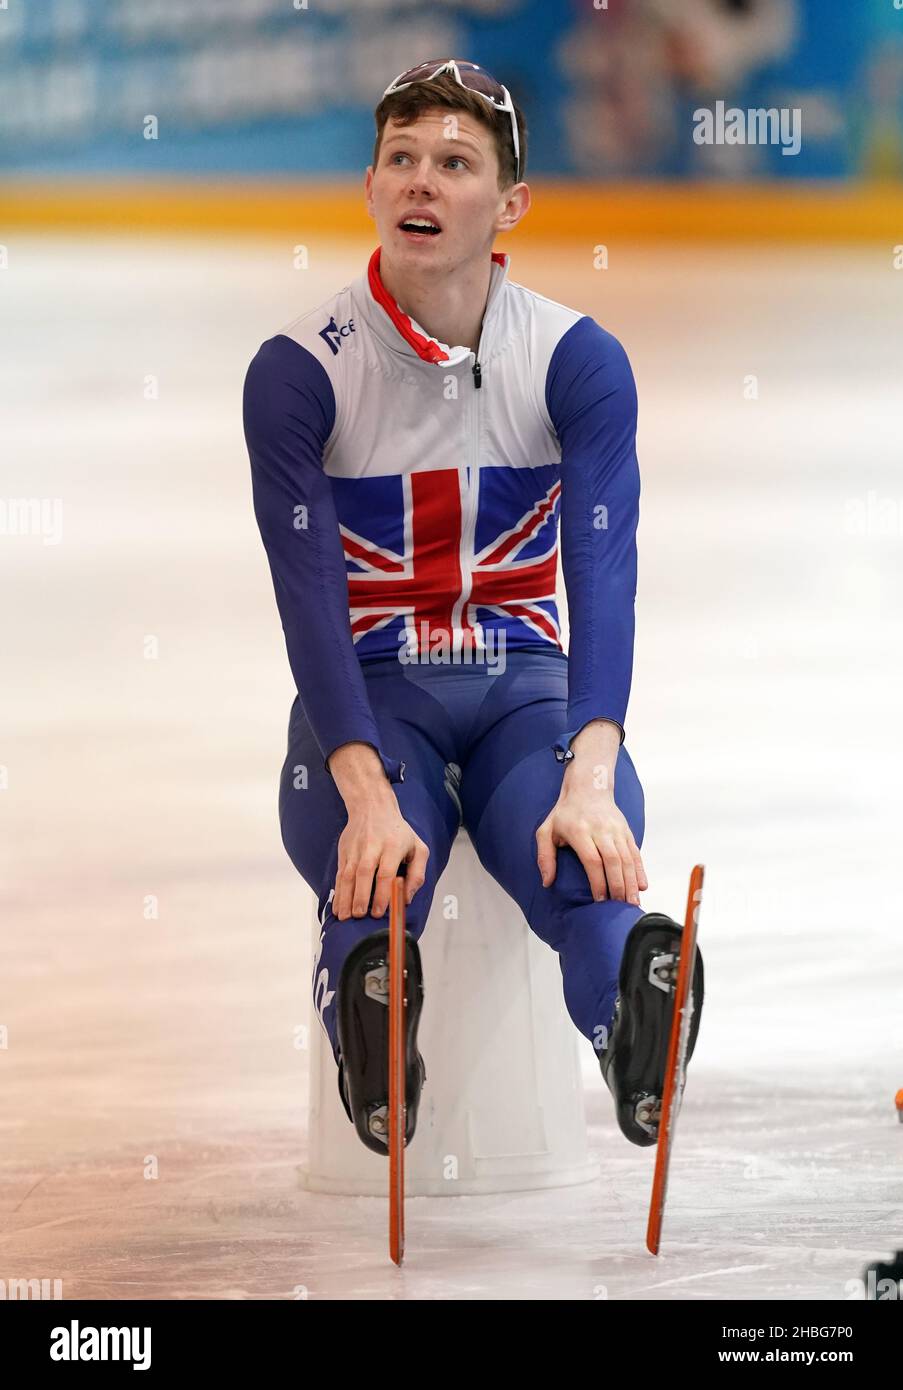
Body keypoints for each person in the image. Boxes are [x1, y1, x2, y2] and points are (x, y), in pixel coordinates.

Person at [243, 58, 703, 1154]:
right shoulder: (299, 373)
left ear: (510, 206)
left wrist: (591, 777)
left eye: (455, 164)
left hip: (522, 690)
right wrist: (359, 784)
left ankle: (637, 997)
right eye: (401, 159)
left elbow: (605, 572)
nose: (423, 182)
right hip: (373, 694)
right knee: (372, 870)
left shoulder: (579, 362)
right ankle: (372, 1001)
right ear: (368, 187)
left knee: (584, 858)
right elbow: (306, 599)